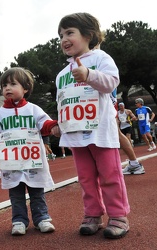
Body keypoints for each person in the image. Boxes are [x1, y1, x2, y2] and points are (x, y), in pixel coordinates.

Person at [56, 12, 130, 239]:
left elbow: (111, 82)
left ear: (88, 35)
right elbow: (64, 100)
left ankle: (118, 215)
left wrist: (88, 74)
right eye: (60, 35)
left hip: (100, 132)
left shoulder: (101, 58)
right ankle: (93, 214)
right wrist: (60, 123)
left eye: (69, 33)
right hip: (76, 134)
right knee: (86, 178)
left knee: (110, 174)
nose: (63, 39)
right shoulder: (62, 74)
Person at [0, 67, 57, 235]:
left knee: (36, 190)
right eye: (4, 85)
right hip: (11, 163)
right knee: (16, 193)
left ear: (25, 88)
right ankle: (19, 220)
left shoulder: (33, 109)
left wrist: (54, 126)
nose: (7, 88)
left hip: (33, 160)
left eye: (12, 84)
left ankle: (42, 218)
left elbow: (44, 124)